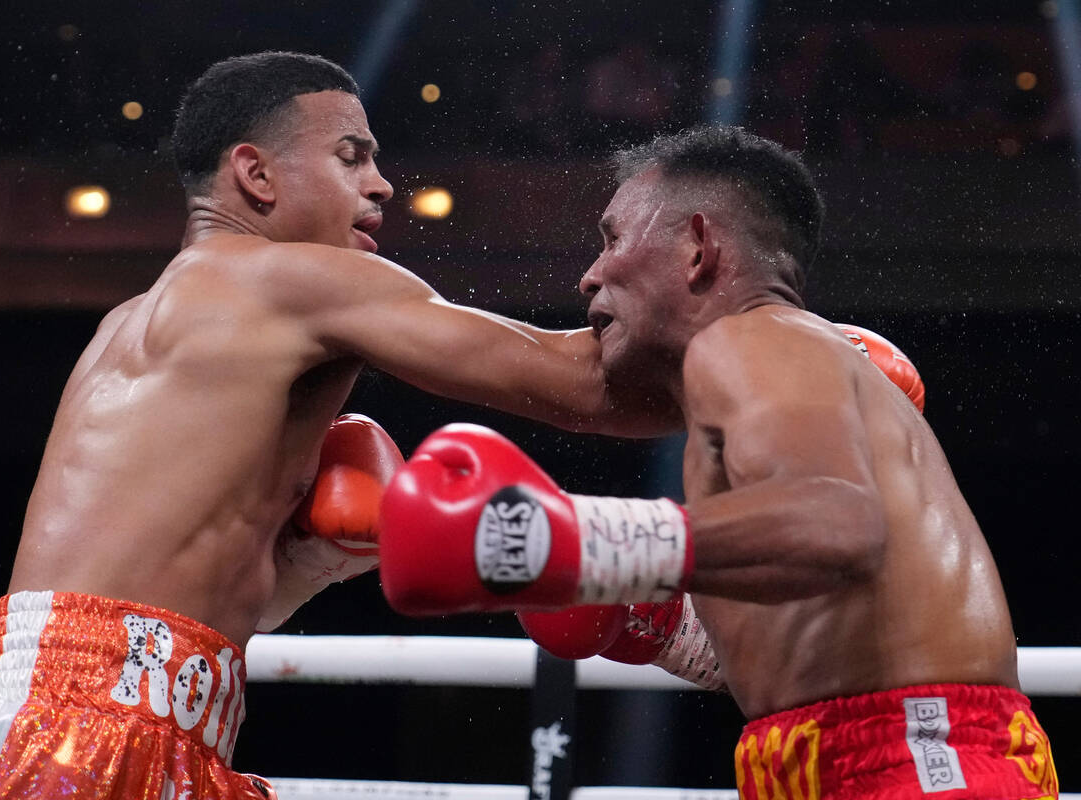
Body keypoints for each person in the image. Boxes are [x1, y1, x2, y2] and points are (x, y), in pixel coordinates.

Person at [0, 51, 679, 800]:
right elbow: (588, 385)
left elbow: (184, 588)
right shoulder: (299, 283)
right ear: (255, 174)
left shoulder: (126, 325)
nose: (383, 185)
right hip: (87, 739)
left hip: (53, 718)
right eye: (350, 156)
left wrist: (307, 560)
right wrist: (756, 352)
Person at [378, 125, 1058, 798]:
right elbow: (841, 623)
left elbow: (836, 524)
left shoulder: (748, 337)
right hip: (837, 753)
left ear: (699, 246)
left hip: (918, 760)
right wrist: (682, 635)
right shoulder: (762, 370)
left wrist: (566, 538)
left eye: (613, 238)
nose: (589, 275)